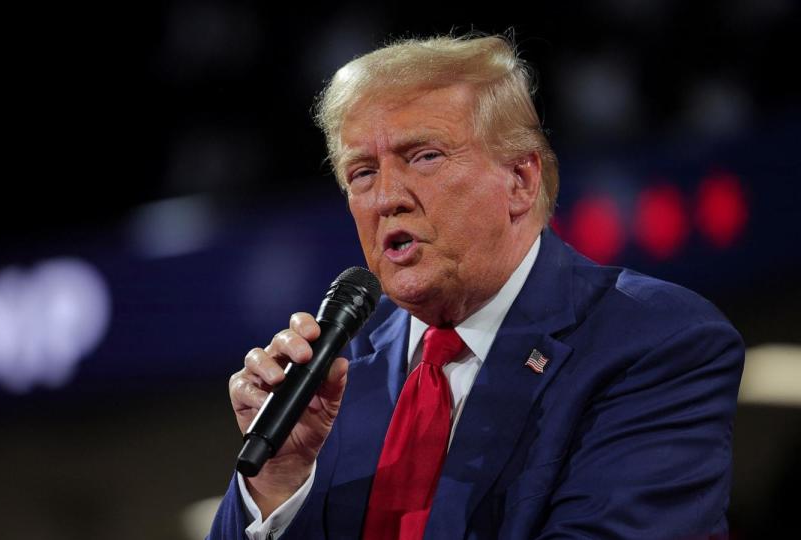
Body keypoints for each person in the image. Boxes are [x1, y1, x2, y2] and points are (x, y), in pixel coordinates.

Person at [208, 34, 744, 539]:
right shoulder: (331, 379)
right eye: (363, 172)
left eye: (424, 156)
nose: (387, 196)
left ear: (521, 179)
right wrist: (277, 479)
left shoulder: (656, 341)